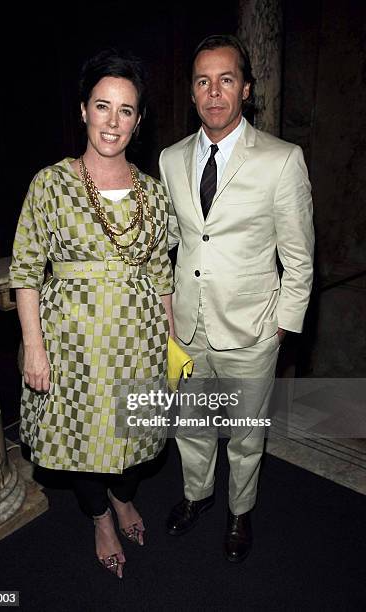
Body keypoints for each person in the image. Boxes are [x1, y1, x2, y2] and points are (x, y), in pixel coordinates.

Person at [9, 49, 174, 578]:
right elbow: (26, 269)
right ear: (83, 110)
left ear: (139, 121)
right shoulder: (50, 185)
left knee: (137, 444)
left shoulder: (152, 193)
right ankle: (100, 516)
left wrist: (173, 345)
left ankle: (123, 497)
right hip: (70, 343)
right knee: (78, 443)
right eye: (103, 107)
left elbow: (162, 274)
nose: (113, 121)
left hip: (140, 341)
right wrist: (34, 345)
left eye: (126, 111)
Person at [159, 34, 314, 562]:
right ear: (193, 93)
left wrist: (283, 328)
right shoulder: (171, 158)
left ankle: (239, 511)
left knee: (246, 437)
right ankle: (196, 496)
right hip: (188, 326)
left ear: (246, 89)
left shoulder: (281, 159)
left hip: (252, 329)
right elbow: (176, 240)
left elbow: (299, 258)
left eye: (226, 79)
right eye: (203, 81)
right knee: (193, 427)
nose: (214, 91)